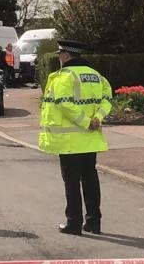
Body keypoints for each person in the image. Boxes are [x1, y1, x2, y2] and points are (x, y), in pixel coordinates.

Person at [38, 37, 112, 235]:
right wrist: (97, 118)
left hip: (70, 140)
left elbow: (64, 103)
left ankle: (73, 222)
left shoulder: (64, 76)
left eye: (60, 54)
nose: (59, 58)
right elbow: (107, 99)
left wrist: (85, 121)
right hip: (90, 138)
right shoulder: (97, 76)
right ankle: (93, 222)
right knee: (90, 179)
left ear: (66, 55)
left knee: (71, 181)